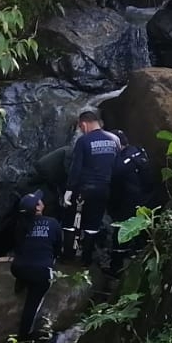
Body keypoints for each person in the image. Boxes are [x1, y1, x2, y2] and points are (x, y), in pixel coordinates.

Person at [63, 109, 120, 265]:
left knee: (70, 222)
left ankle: (68, 257)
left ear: (84, 125)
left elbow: (76, 168)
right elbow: (116, 167)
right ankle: (86, 260)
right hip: (103, 190)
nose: (81, 131)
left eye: (81, 128)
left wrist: (69, 190)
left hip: (84, 188)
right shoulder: (115, 139)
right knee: (93, 224)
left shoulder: (83, 141)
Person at [10, 190, 61, 343]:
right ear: (38, 208)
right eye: (39, 201)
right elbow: (58, 248)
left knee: (26, 264)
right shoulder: (52, 223)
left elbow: (18, 247)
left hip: (18, 268)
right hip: (40, 272)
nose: (41, 200)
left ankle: (21, 282)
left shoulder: (20, 225)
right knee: (31, 308)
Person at [106, 133, 156, 274]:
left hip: (128, 203)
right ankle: (141, 261)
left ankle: (116, 268)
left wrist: (112, 208)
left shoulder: (120, 163)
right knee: (142, 233)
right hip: (147, 200)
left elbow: (115, 188)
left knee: (121, 234)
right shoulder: (140, 151)